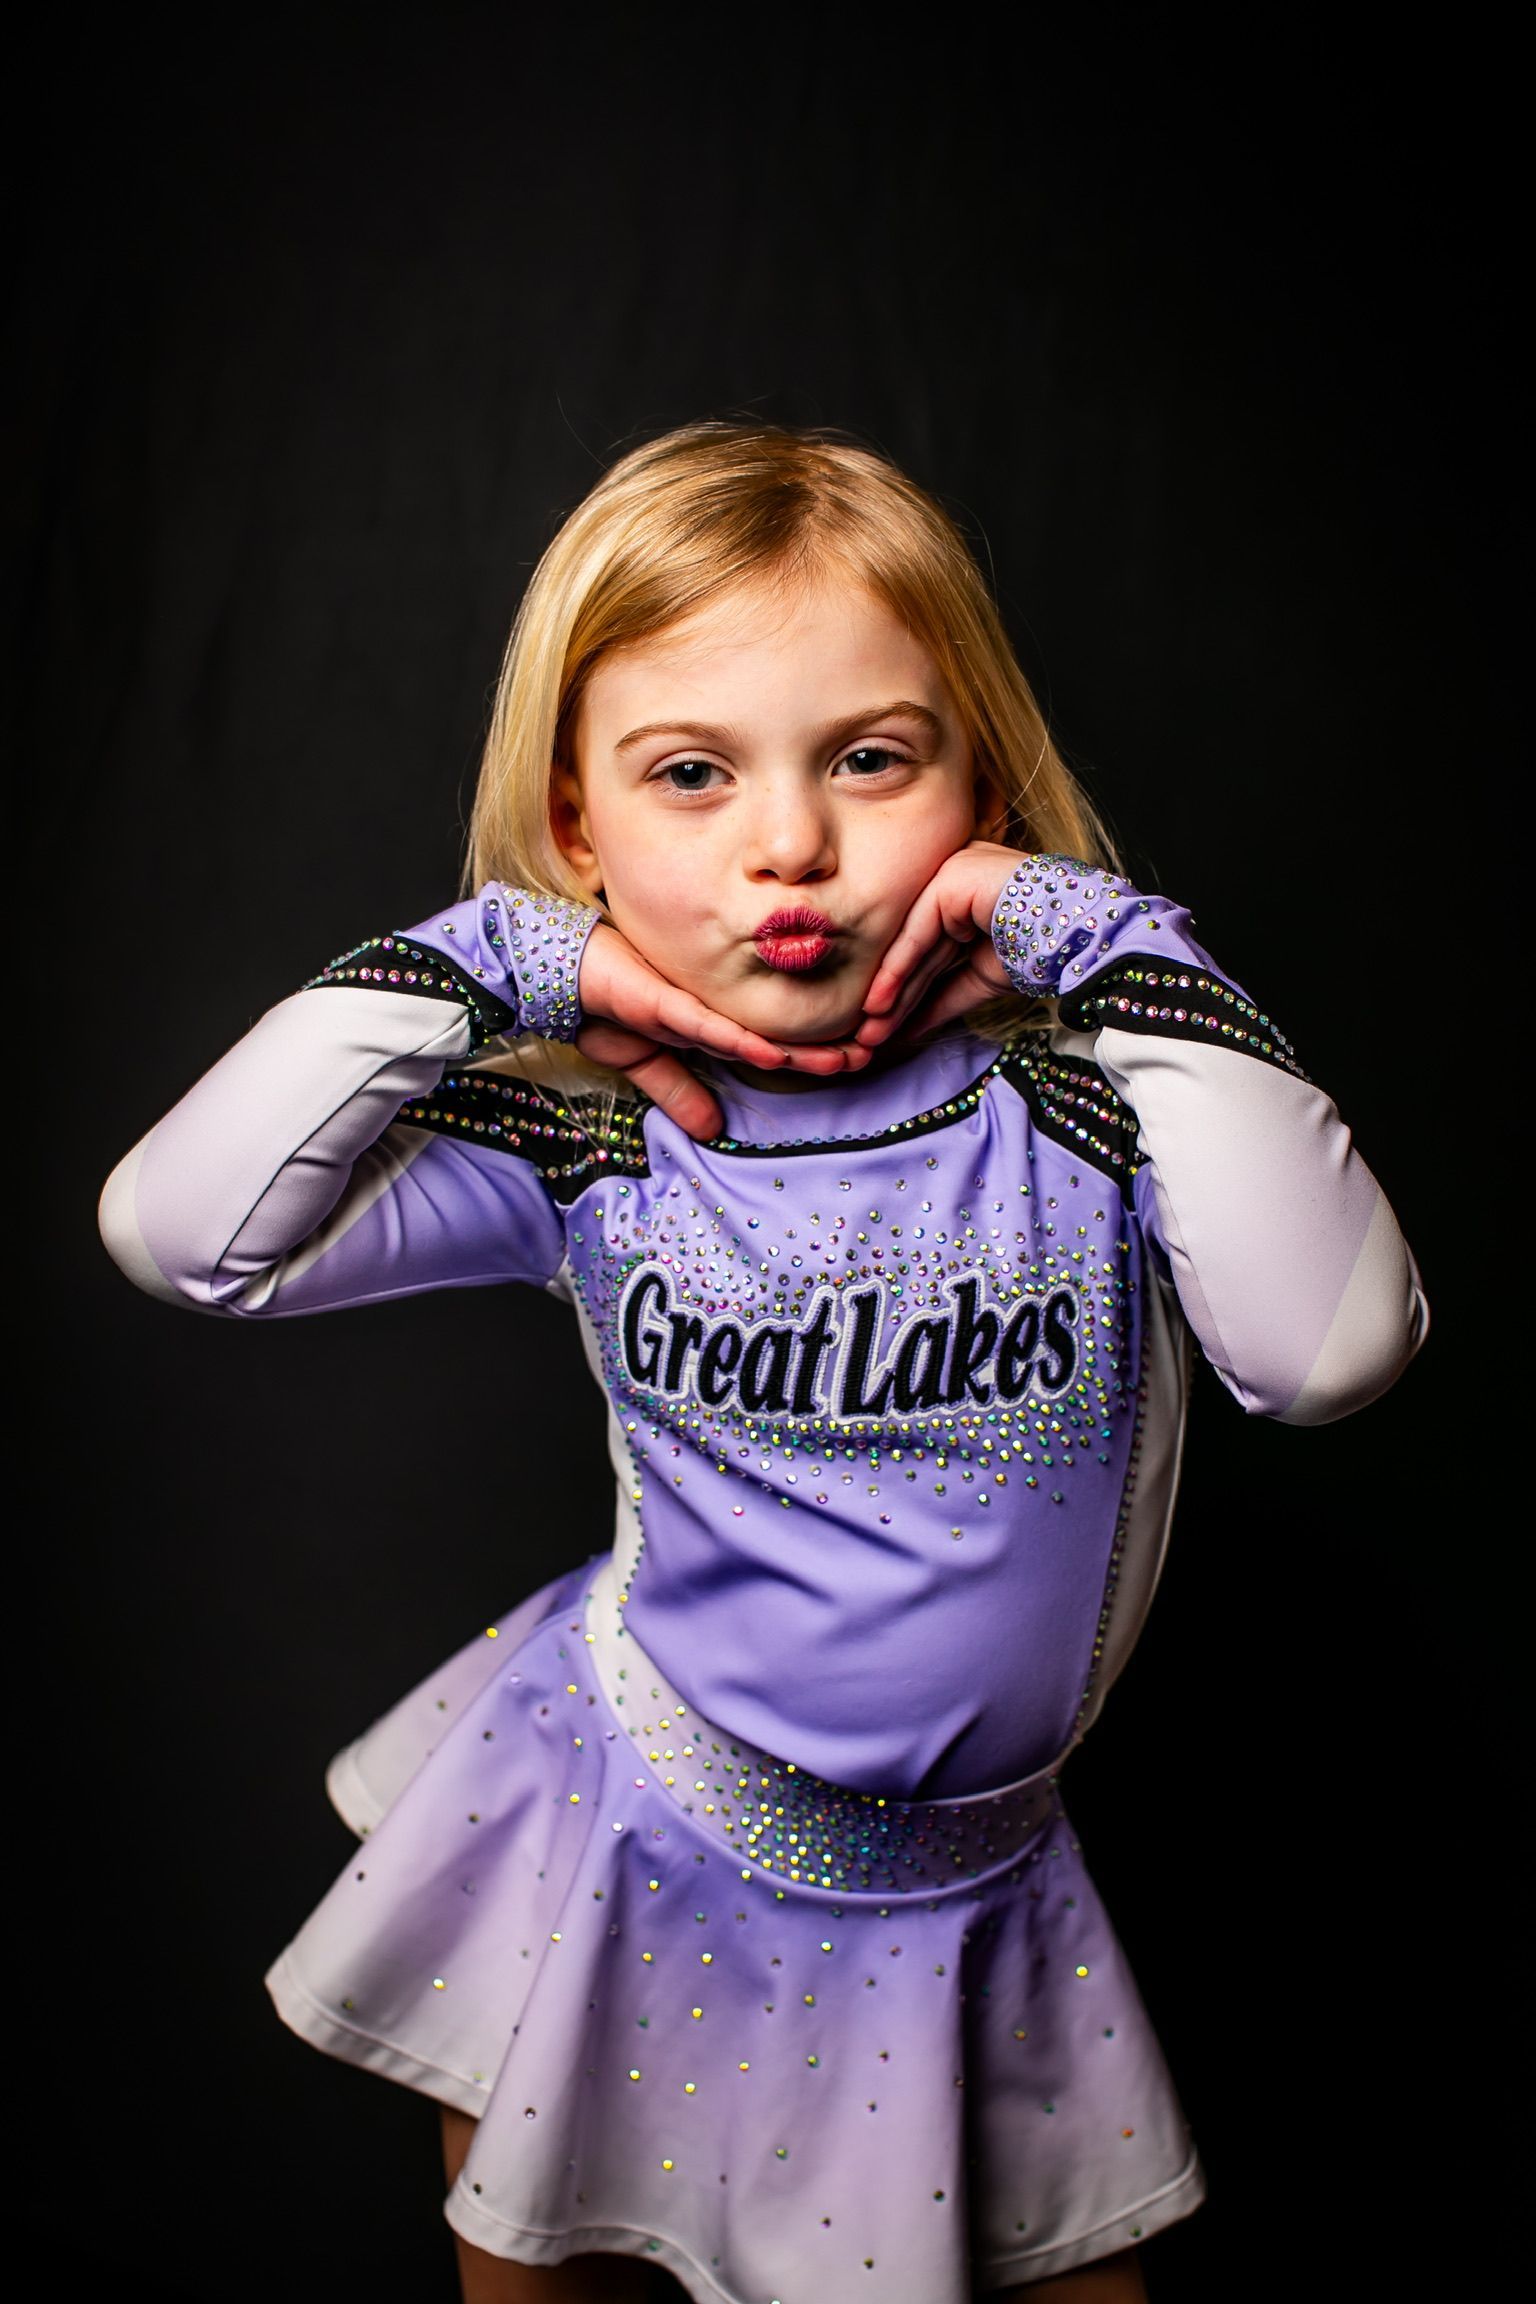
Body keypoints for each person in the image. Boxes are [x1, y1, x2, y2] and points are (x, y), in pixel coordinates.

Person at [99, 421, 1427, 2304]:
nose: (787, 844)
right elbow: (180, 1233)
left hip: (959, 1900)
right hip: (623, 1826)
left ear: (978, 784)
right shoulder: (597, 1144)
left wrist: (1108, 942)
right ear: (581, 829)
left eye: (871, 759)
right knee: (544, 2267)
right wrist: (502, 965)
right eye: (690, 776)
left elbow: (1330, 1349)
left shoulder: (1100, 1116)